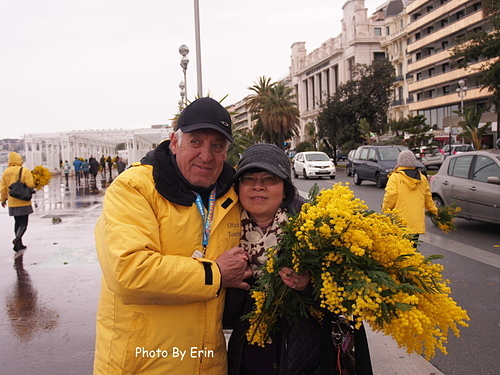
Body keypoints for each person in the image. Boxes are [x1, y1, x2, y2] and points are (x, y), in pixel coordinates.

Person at [93, 97, 252, 374]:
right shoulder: (133, 189)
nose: (206, 155)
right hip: (142, 363)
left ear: (226, 152)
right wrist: (215, 274)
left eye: (217, 146)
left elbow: (275, 210)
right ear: (174, 142)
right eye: (196, 142)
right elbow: (128, 272)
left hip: (208, 363)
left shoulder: (232, 192)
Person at [224, 143, 373, 375]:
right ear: (238, 188)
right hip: (246, 360)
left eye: (270, 179)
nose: (258, 187)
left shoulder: (316, 229)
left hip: (305, 362)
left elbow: (347, 299)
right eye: (248, 179)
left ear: (285, 189)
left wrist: (308, 285)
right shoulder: (223, 232)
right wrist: (224, 278)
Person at [382, 150, 438, 245]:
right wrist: (435, 211)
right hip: (416, 222)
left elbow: (391, 196)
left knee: (400, 251)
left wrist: (385, 210)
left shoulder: (395, 177)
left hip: (399, 222)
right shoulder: (422, 178)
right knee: (412, 250)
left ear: (399, 162)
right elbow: (427, 198)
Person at [0, 152, 36, 257]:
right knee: (24, 223)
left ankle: (19, 244)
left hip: (12, 201)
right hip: (23, 200)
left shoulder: (5, 172)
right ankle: (17, 240)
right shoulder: (24, 170)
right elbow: (30, 184)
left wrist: (3, 200)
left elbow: (2, 188)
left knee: (17, 222)